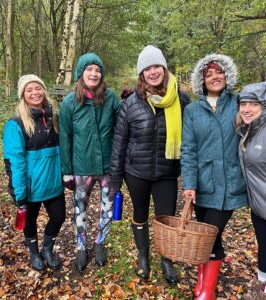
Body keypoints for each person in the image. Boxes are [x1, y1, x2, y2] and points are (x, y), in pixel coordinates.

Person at [109, 45, 190, 284]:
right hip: (137, 172)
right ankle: (143, 257)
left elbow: (192, 140)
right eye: (147, 68)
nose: (153, 72)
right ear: (141, 74)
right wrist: (115, 179)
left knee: (166, 218)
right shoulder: (130, 103)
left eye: (157, 66)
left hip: (167, 172)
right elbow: (119, 143)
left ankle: (166, 259)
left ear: (164, 69)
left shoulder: (182, 100)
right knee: (140, 214)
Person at [181, 54, 248, 299]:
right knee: (205, 237)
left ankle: (206, 290)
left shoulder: (239, 102)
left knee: (212, 234)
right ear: (201, 80)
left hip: (230, 182)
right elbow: (188, 148)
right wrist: (189, 183)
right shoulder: (192, 110)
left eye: (218, 72)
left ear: (226, 75)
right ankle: (202, 283)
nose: (214, 77)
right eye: (208, 74)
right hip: (203, 183)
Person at [59, 53, 120, 271]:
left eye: (97, 70)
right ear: (81, 73)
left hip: (107, 167)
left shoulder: (111, 98)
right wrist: (66, 170)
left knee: (107, 208)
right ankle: (81, 247)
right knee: (79, 209)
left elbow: (124, 125)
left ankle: (100, 243)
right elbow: (64, 138)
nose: (94, 74)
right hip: (81, 167)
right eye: (89, 69)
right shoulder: (69, 102)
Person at [3, 74, 65, 271]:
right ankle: (34, 252)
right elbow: (15, 161)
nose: (34, 93)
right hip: (31, 186)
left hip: (53, 183)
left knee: (58, 217)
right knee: (30, 221)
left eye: (38, 88)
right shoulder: (16, 124)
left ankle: (48, 249)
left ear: (44, 91)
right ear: (23, 95)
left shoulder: (55, 118)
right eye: (29, 90)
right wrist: (19, 192)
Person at [235, 82, 266, 298]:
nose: (246, 108)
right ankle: (262, 287)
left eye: (253, 104)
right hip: (258, 207)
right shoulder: (248, 130)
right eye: (243, 103)